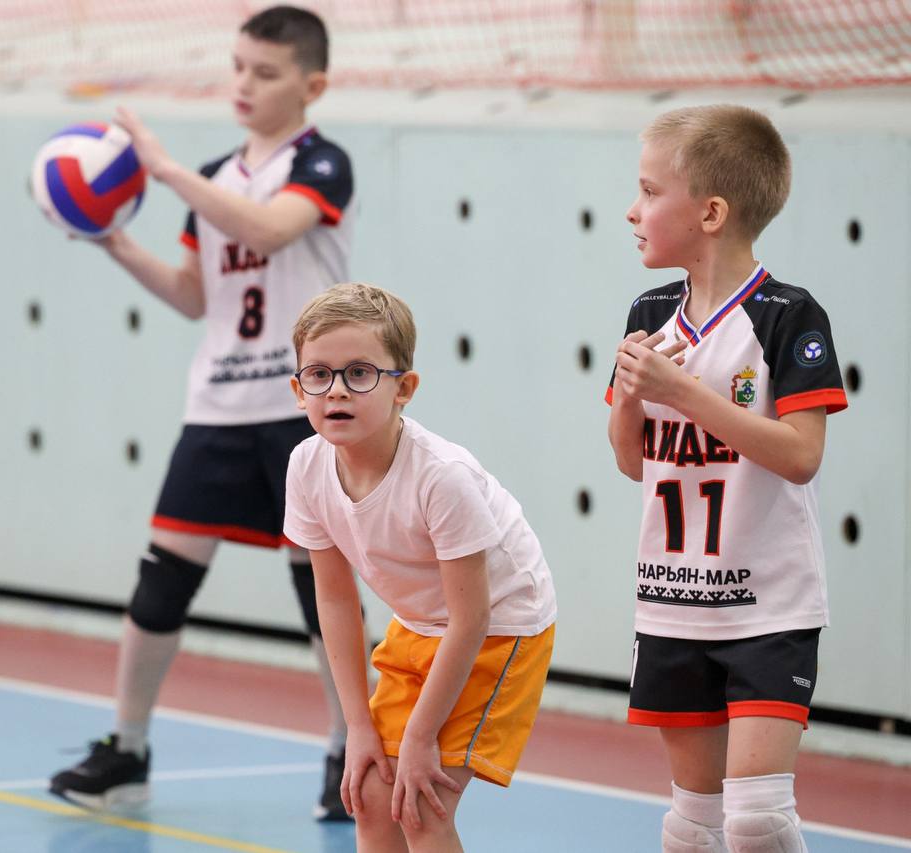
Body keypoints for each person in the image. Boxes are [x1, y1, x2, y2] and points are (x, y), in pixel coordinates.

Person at [47, 5, 357, 821]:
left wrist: (167, 170)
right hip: (218, 406)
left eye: (266, 72)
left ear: (311, 84)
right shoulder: (215, 174)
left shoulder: (323, 167)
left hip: (305, 410)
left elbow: (268, 227)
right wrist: (117, 243)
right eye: (239, 68)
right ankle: (129, 748)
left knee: (318, 591)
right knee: (161, 584)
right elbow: (194, 295)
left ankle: (348, 750)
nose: (245, 85)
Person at [607, 104, 848, 853]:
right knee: (692, 824)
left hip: (767, 607)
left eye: (649, 192)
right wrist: (634, 399)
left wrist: (687, 396)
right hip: (674, 602)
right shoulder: (650, 313)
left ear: (710, 212)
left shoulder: (788, 315)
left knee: (758, 821)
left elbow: (801, 454)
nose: (632, 210)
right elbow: (630, 459)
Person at [283, 283, 557, 851]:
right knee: (370, 796)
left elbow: (471, 617)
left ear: (404, 388)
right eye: (319, 374)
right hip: (421, 623)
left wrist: (420, 736)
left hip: (501, 628)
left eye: (360, 373)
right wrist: (357, 727)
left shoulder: (441, 478)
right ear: (298, 388)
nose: (336, 390)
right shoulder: (306, 466)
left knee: (420, 805)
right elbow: (334, 600)